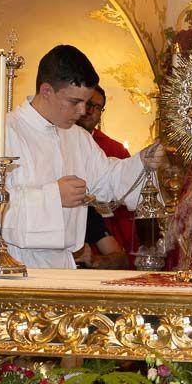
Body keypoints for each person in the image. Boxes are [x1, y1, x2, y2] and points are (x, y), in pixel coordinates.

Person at [0, 44, 163, 268]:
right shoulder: (3, 132)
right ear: (47, 91)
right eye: (74, 102)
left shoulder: (78, 138)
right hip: (9, 262)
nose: (82, 111)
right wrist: (53, 196)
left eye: (86, 103)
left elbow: (109, 180)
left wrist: (142, 163)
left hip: (59, 266)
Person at [76, 86, 136, 258]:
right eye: (88, 104)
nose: (91, 111)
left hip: (109, 231)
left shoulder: (115, 150)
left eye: (98, 107)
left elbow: (126, 193)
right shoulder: (61, 140)